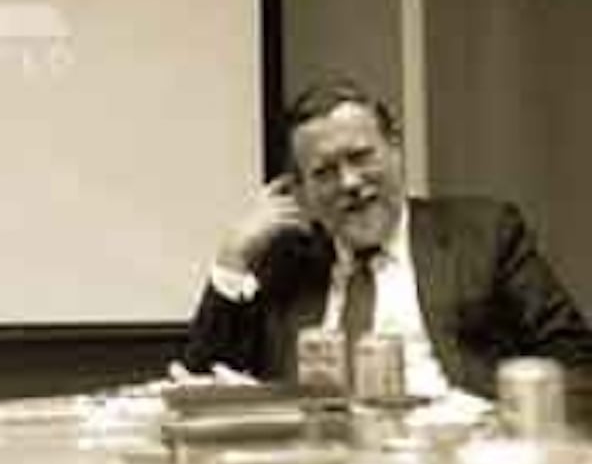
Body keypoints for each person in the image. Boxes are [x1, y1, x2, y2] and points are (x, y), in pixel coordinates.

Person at [186, 78, 592, 400]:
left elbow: (575, 361)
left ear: (395, 148)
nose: (350, 182)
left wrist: (498, 424)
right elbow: (202, 386)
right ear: (301, 190)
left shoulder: (483, 234)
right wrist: (232, 258)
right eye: (324, 172)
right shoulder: (285, 264)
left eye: (361, 157)